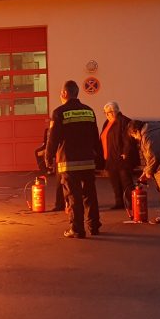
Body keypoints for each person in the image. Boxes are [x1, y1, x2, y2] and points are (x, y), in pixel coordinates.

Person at [44, 80, 104, 238]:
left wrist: (48, 157)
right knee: (90, 194)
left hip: (68, 163)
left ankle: (77, 229)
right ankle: (94, 226)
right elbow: (95, 138)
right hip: (88, 161)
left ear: (64, 93)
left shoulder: (59, 112)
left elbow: (53, 139)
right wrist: (100, 159)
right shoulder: (89, 111)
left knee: (73, 196)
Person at [100, 101, 138, 210]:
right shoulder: (107, 123)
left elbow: (128, 139)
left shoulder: (124, 121)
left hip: (121, 157)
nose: (107, 115)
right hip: (110, 158)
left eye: (109, 112)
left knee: (126, 181)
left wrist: (126, 152)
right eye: (105, 113)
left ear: (116, 111)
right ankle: (119, 202)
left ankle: (131, 203)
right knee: (115, 181)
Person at [33, 124, 65, 211]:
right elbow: (47, 143)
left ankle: (62, 204)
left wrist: (49, 158)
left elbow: (52, 143)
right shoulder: (49, 130)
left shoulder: (56, 129)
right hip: (62, 157)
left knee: (62, 183)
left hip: (62, 158)